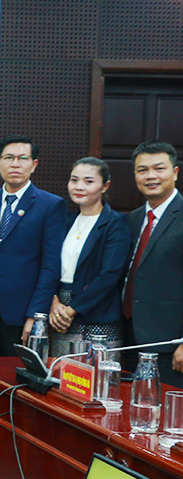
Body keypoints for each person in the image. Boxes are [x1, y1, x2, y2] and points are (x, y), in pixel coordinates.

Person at [0, 136, 65, 355]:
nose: (15, 164)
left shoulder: (50, 205)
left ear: (34, 164)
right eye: (9, 158)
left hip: (22, 310)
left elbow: (50, 266)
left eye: (22, 158)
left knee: (14, 377)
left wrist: (36, 316)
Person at [48, 158, 130, 357]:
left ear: (105, 186)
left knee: (95, 384)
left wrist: (72, 310)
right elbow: (48, 265)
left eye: (88, 181)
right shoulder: (65, 221)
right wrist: (54, 302)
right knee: (61, 381)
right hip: (60, 315)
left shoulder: (115, 223)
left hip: (98, 317)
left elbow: (109, 275)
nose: (79, 187)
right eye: (74, 180)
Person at [122, 141, 183, 387]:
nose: (151, 176)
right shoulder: (132, 219)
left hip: (170, 345)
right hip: (129, 338)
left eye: (159, 168)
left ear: (175, 172)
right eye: (142, 170)